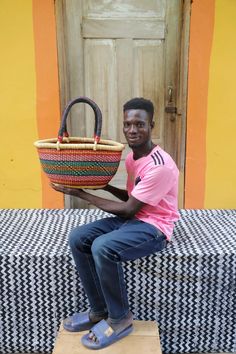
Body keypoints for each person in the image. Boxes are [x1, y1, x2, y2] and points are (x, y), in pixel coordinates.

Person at [52, 97, 179, 350]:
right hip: (134, 219)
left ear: (151, 125)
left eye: (139, 125)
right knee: (78, 237)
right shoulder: (133, 158)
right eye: (127, 124)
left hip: (155, 227)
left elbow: (128, 208)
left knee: (102, 246)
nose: (132, 130)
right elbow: (132, 198)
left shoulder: (160, 165)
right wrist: (104, 186)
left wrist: (81, 193)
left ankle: (120, 318)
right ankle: (99, 311)